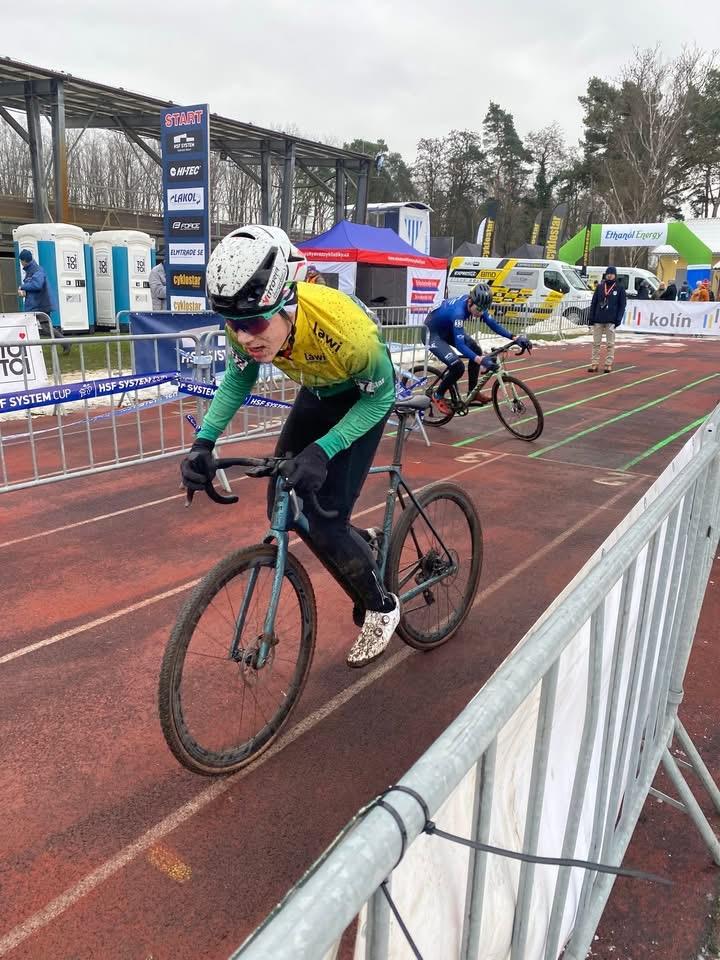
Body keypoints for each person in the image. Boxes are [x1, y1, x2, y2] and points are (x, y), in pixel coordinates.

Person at [180, 225, 399, 669]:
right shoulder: (246, 318)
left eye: (256, 324)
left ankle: (381, 606)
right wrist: (203, 442)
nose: (245, 337)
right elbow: (238, 379)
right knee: (284, 502)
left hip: (363, 399)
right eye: (234, 325)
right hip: (316, 392)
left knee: (327, 521)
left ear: (288, 303)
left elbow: (380, 398)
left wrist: (324, 449)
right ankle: (363, 544)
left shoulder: (345, 330)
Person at [423, 283, 531, 416]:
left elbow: (493, 324)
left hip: (447, 329)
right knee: (457, 367)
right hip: (432, 334)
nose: (480, 313)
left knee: (476, 349)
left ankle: (472, 392)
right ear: (470, 302)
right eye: (479, 309)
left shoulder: (478, 304)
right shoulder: (458, 313)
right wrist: (480, 360)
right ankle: (438, 395)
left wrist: (514, 337)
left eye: (484, 309)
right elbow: (460, 345)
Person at [17, 248, 70, 354]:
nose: (21, 263)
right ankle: (64, 342)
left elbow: (37, 285)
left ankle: (65, 342)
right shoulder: (32, 270)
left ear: (24, 260)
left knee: (43, 327)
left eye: (21, 261)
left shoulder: (37, 270)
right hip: (36, 304)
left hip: (39, 305)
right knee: (43, 327)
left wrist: (23, 287)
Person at [587, 265, 626, 374]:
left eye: (612, 274)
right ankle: (594, 363)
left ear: (615, 275)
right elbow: (594, 303)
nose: (609, 275)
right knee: (596, 343)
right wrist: (591, 318)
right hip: (598, 319)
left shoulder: (619, 288)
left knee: (610, 344)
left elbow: (622, 305)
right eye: (608, 274)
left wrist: (618, 319)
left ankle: (608, 364)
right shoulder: (600, 287)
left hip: (611, 320)